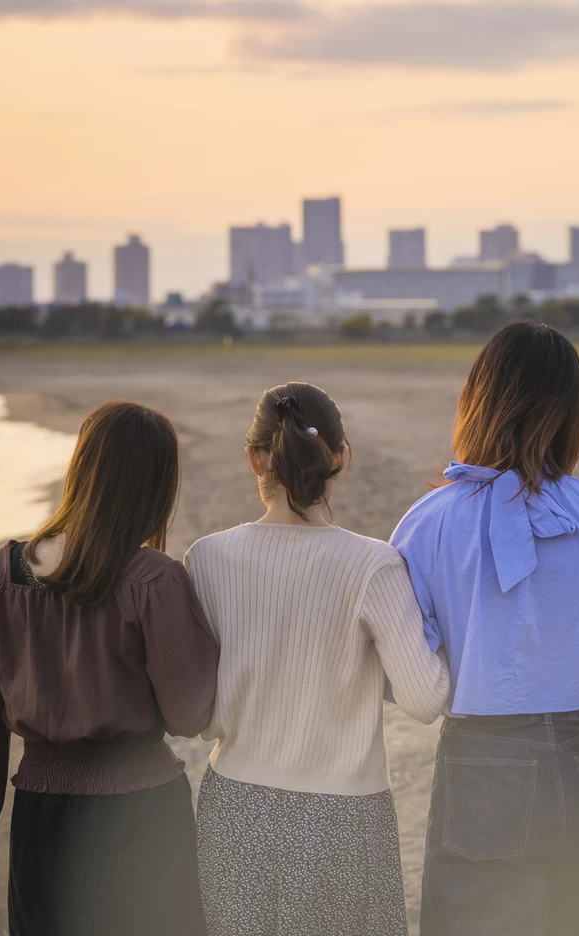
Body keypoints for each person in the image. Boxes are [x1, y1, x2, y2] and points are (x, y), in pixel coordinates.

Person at [390, 322, 579, 936]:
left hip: (482, 761)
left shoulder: (428, 522)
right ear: (574, 411)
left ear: (479, 399)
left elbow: (399, 667)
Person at [0, 400, 218, 936]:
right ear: (156, 487)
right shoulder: (154, 580)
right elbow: (190, 714)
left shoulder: (1, 575)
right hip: (144, 812)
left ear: (80, 470)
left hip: (44, 819)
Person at [185, 382, 451, 936]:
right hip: (343, 817)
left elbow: (202, 714)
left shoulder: (207, 558)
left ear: (254, 458)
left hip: (234, 808)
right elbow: (426, 700)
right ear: (339, 456)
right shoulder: (373, 565)